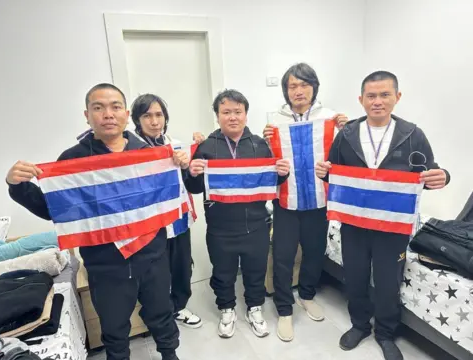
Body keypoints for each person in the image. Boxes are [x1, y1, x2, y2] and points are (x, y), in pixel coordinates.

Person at [6, 84, 181, 360]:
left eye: (114, 107)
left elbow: (167, 198)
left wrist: (178, 163)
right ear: (87, 115)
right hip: (105, 263)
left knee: (162, 313)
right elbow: (56, 211)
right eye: (98, 107)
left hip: (152, 255)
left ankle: (170, 354)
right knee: (113, 328)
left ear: (125, 113)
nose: (108, 114)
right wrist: (17, 186)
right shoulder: (73, 159)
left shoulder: (147, 152)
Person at [315, 71, 450, 360]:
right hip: (354, 224)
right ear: (361, 99)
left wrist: (444, 176)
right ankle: (359, 325)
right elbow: (335, 175)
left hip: (393, 226)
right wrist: (324, 174)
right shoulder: (347, 134)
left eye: (385, 95)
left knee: (389, 281)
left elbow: (430, 172)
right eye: (371, 96)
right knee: (355, 277)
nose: (378, 101)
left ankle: (386, 333)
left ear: (397, 97)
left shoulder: (413, 135)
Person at [184, 89, 290, 339]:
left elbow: (272, 182)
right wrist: (193, 173)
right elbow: (196, 188)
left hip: (256, 224)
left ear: (245, 114)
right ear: (217, 116)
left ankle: (254, 308)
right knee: (223, 272)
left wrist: (283, 173)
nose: (232, 117)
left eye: (237, 112)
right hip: (220, 228)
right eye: (226, 112)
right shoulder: (207, 147)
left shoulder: (260, 145)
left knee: (255, 271)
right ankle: (227, 308)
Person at [263, 62, 348, 341]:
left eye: (304, 84)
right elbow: (266, 162)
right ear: (286, 91)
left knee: (314, 252)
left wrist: (346, 130)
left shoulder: (332, 118)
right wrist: (267, 143)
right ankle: (284, 309)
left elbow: (347, 157)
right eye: (292, 86)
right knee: (284, 257)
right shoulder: (274, 121)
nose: (298, 91)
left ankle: (308, 295)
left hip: (319, 200)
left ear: (314, 87)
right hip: (286, 202)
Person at [130, 93, 203, 329]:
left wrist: (187, 165)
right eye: (147, 115)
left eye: (159, 114)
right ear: (137, 120)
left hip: (178, 218)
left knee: (181, 266)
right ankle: (159, 315)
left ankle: (179, 306)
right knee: (155, 274)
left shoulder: (177, 144)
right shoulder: (130, 150)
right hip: (150, 224)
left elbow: (192, 183)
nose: (154, 121)